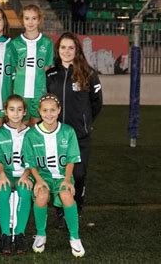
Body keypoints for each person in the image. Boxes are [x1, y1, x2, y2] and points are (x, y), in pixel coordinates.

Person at [46, 32, 102, 216]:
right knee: (59, 174)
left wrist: (85, 122)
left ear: (77, 49)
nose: (67, 51)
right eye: (63, 47)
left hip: (79, 135)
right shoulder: (51, 73)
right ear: (58, 49)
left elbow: (97, 103)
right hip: (56, 134)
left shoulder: (88, 74)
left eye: (71, 47)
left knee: (77, 174)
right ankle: (60, 208)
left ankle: (77, 203)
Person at [22, 93, 85, 258]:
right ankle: (41, 234)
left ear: (59, 111)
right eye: (45, 110)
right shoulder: (31, 134)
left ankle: (75, 237)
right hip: (41, 175)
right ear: (39, 112)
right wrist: (38, 180)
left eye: (52, 110)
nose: (48, 114)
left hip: (62, 176)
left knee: (66, 194)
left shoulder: (68, 131)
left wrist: (67, 179)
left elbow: (71, 160)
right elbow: (30, 162)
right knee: (41, 194)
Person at [0, 94, 33, 255]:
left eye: (19, 110)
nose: (15, 113)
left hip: (24, 173)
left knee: (24, 191)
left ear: (24, 112)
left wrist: (26, 174)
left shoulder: (31, 133)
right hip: (6, 173)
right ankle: (5, 234)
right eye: (12, 109)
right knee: (3, 191)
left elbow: (33, 159)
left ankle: (19, 234)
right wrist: (2, 174)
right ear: (5, 111)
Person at [12, 4, 54, 126]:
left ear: (39, 20)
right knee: (21, 127)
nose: (30, 22)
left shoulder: (46, 42)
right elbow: (15, 67)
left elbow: (46, 67)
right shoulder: (15, 43)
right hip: (20, 91)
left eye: (34, 18)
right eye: (27, 18)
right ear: (22, 20)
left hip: (38, 91)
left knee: (35, 127)